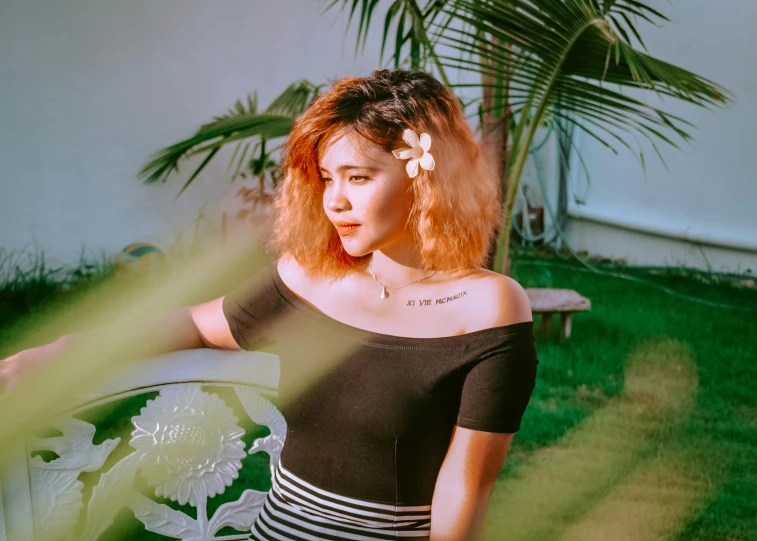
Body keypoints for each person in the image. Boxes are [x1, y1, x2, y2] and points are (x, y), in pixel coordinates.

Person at [0, 69, 539, 541]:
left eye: (358, 177)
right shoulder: (309, 277)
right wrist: (58, 354)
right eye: (328, 178)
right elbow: (192, 322)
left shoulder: (488, 308)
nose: (336, 200)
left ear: (426, 178)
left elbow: (463, 495)